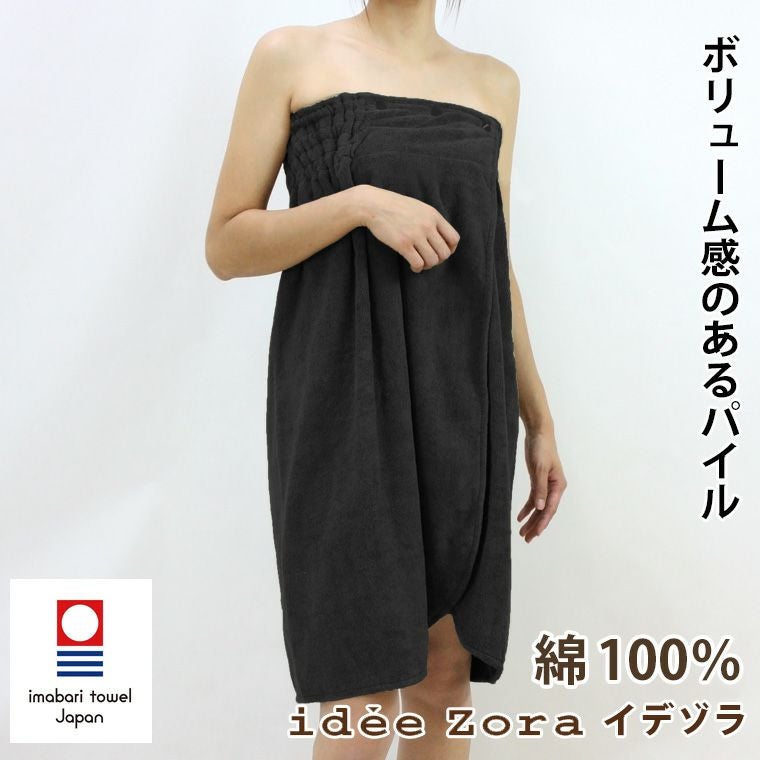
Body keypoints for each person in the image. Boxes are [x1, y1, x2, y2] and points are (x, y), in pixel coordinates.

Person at [205, 2, 567, 757]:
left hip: (465, 400)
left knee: (445, 676)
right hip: (343, 395)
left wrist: (539, 420)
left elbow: (494, 265)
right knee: (362, 680)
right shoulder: (291, 55)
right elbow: (228, 244)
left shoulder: (494, 84)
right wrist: (359, 205)